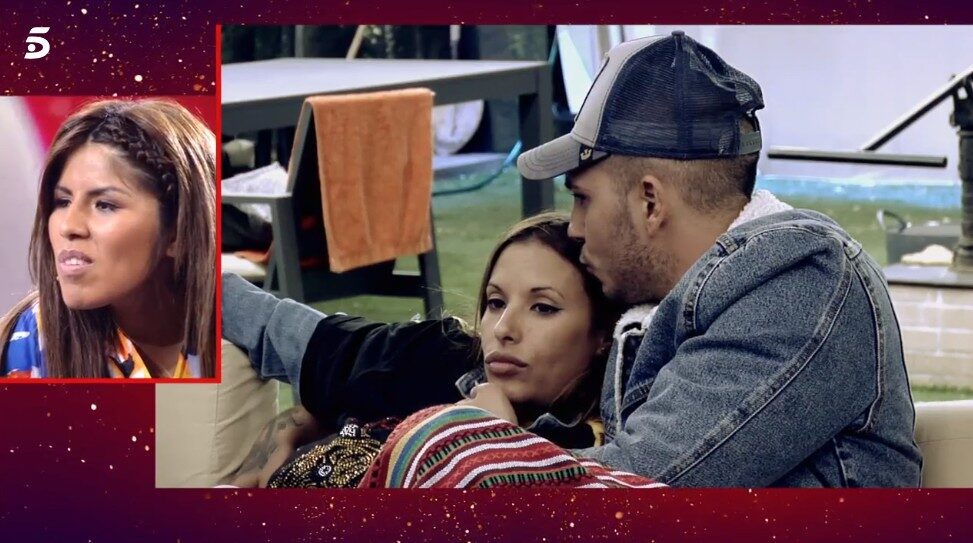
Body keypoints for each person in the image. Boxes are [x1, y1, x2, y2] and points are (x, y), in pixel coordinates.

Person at [501, 31, 921, 487]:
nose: (575, 228)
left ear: (649, 202)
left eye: (583, 199)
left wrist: (488, 444)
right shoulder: (690, 297)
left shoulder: (803, 277)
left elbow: (631, 491)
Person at [220, 212, 625, 487]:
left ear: (603, 335)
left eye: (543, 308)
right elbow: (272, 324)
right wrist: (291, 424)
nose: (503, 329)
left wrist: (489, 440)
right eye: (495, 302)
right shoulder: (438, 355)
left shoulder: (600, 457)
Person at [0, 99, 216, 378]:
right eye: (62, 201)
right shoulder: (28, 346)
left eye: (104, 205)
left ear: (177, 230)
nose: (69, 226)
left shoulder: (239, 333)